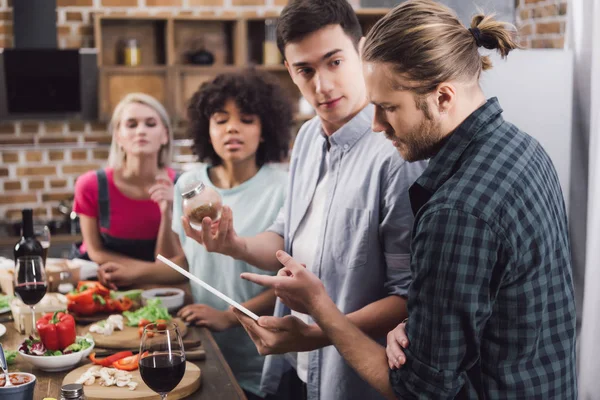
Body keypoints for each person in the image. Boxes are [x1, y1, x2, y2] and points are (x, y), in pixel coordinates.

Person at [239, 1, 578, 399]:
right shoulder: (523, 147)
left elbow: (418, 392)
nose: (378, 125)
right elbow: (494, 305)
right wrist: (421, 328)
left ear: (443, 97)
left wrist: (320, 308)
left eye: (388, 108)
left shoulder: (455, 212)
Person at [181, 1, 427, 399]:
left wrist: (316, 333)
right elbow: (285, 237)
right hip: (295, 367)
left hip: (354, 378)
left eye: (334, 62)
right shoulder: (309, 138)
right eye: (305, 70)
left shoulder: (395, 153)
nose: (322, 85)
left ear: (361, 51)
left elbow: (409, 297)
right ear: (290, 71)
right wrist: (236, 246)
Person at [95, 69, 294, 400]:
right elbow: (186, 261)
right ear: (206, 130)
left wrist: (228, 316)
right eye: (220, 119)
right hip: (203, 347)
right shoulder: (189, 185)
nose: (232, 127)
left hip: (263, 354)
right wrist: (133, 272)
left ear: (264, 130)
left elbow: (289, 282)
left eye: (246, 119)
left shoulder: (285, 187)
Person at [73, 93, 180, 266]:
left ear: (165, 136)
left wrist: (167, 211)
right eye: (131, 125)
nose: (141, 131)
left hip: (160, 284)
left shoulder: (181, 187)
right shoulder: (91, 185)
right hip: (105, 282)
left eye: (150, 124)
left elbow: (173, 262)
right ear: (118, 136)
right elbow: (95, 251)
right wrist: (145, 273)